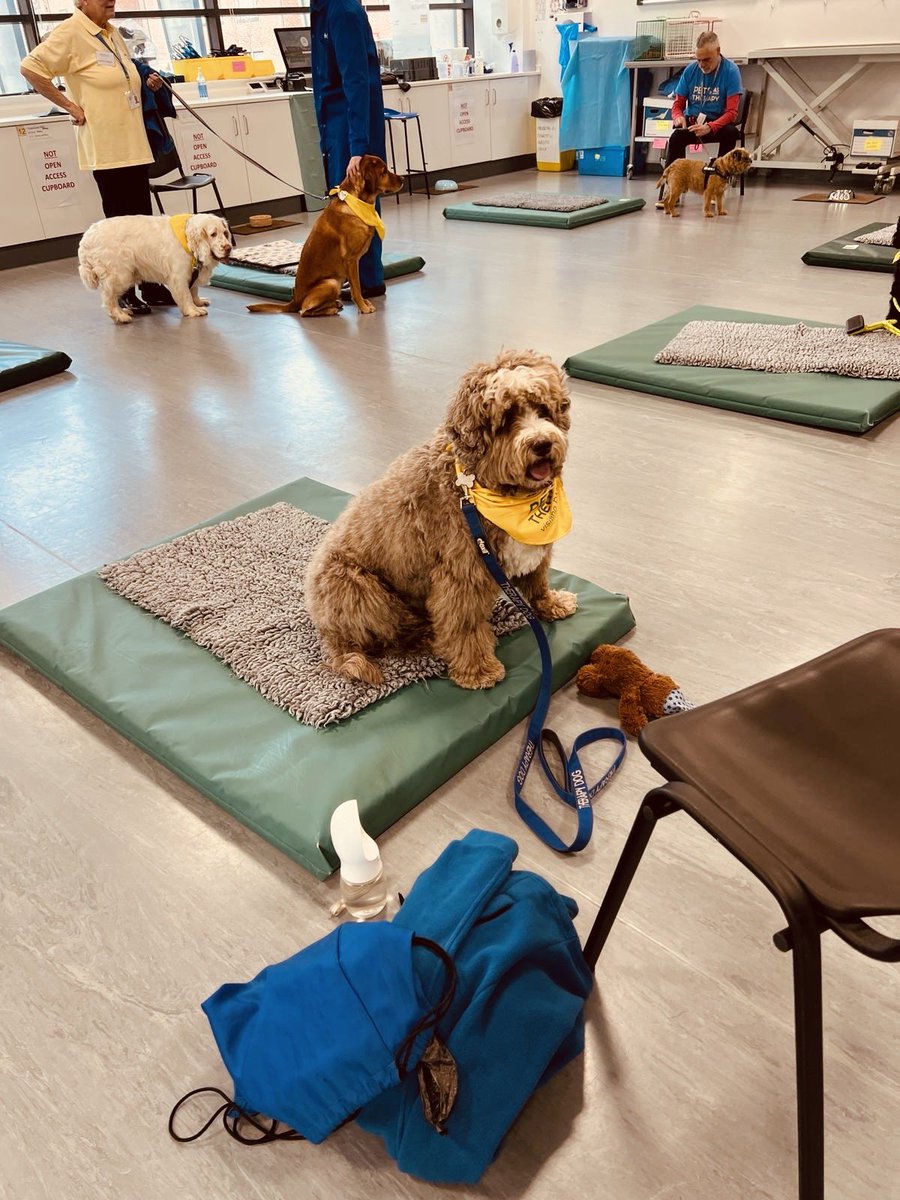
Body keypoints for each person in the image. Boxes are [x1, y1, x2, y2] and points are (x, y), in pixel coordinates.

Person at [20, 0, 169, 313]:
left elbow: (121, 77)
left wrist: (147, 82)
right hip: (106, 146)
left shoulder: (111, 32)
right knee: (119, 225)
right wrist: (70, 106)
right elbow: (30, 68)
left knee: (143, 222)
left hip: (132, 142)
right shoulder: (71, 32)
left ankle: (153, 286)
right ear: (81, 2)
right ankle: (123, 291)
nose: (110, 0)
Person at [310, 0, 387, 299]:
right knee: (343, 202)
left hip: (351, 123)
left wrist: (358, 146)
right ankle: (355, 273)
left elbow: (356, 80)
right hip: (334, 119)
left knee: (357, 201)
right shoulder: (322, 10)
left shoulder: (343, 11)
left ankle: (368, 278)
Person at [657, 32, 744, 208]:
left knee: (730, 133)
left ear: (718, 51)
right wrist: (678, 117)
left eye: (706, 60)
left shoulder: (731, 71)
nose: (702, 64)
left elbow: (732, 113)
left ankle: (716, 188)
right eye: (699, 60)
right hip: (693, 124)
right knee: (676, 137)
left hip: (717, 124)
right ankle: (673, 190)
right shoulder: (691, 70)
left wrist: (710, 127)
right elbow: (678, 104)